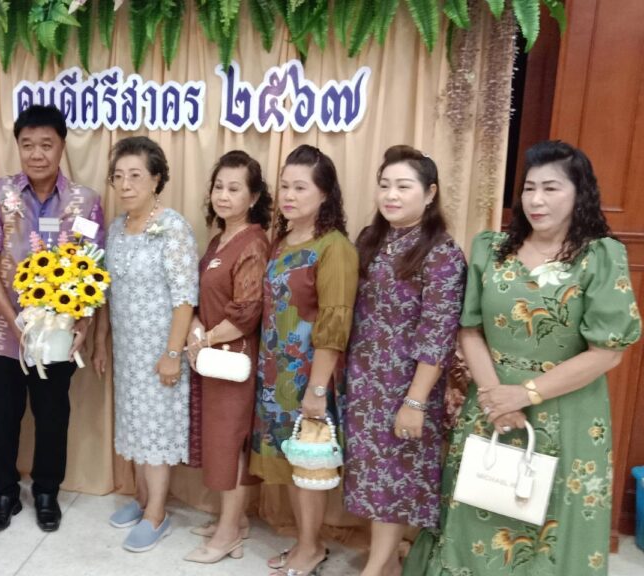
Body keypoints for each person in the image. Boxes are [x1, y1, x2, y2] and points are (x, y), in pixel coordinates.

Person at [404, 141, 641, 575]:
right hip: (491, 403)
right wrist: (496, 396)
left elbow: (607, 352)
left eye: (551, 188)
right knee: (478, 509)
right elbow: (469, 328)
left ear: (579, 193)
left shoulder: (600, 257)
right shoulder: (491, 248)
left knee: (550, 521)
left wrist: (524, 394)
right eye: (530, 188)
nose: (536, 200)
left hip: (566, 412)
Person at [0, 105, 105, 534]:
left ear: (62, 146)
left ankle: (47, 492)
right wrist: (14, 321)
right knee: (2, 417)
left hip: (59, 337)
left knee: (52, 416)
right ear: (18, 146)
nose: (37, 153)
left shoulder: (85, 201)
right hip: (3, 334)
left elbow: (93, 267)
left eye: (46, 144)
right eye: (27, 144)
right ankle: (4, 494)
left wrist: (84, 323)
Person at [343, 146, 466, 575]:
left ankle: (376, 568)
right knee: (370, 477)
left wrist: (414, 402)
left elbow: (438, 335)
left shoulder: (442, 253)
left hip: (407, 386)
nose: (391, 195)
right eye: (385, 185)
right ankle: (387, 563)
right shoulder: (371, 239)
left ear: (429, 193)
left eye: (403, 186)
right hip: (363, 381)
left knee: (393, 480)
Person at [250, 144, 358, 576]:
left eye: (301, 187)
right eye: (285, 186)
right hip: (275, 375)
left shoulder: (334, 248)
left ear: (325, 194)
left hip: (310, 378)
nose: (289, 196)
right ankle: (304, 541)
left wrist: (317, 389)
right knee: (294, 464)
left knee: (311, 464)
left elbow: (335, 322)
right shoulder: (281, 242)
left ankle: (311, 548)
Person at [104, 136, 198, 553]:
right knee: (136, 426)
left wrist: (172, 354)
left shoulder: (173, 228)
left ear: (156, 179)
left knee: (156, 430)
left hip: (162, 350)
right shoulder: (115, 228)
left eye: (135, 176)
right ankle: (142, 499)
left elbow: (185, 297)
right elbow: (107, 292)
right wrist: (102, 342)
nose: (125, 185)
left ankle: (157, 514)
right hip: (128, 350)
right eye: (118, 176)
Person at [183, 150, 272, 563]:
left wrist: (203, 340)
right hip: (213, 354)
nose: (223, 195)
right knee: (222, 443)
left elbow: (246, 313)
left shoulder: (252, 242)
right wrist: (196, 330)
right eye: (219, 187)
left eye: (234, 189)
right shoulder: (222, 238)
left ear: (253, 197)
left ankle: (228, 534)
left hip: (233, 358)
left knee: (231, 444)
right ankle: (234, 520)